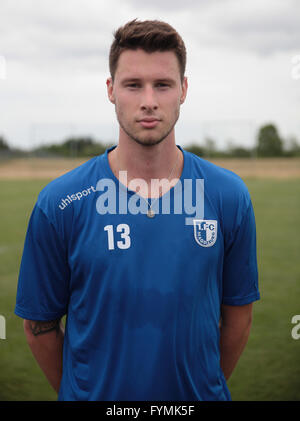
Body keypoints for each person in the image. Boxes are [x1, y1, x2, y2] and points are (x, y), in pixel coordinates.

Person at [15, 19, 260, 401]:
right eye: (133, 85)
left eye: (162, 84)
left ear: (184, 90)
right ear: (111, 90)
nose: (149, 100)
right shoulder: (59, 203)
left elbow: (238, 318)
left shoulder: (228, 196)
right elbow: (39, 325)